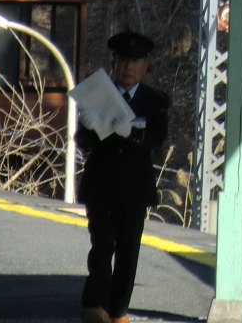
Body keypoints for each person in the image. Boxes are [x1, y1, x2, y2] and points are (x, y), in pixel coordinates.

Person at [77, 31, 169, 323]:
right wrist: (86, 125)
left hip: (134, 187)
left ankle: (118, 311)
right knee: (102, 247)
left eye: (136, 61)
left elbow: (157, 137)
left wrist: (134, 135)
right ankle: (95, 306)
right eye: (124, 60)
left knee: (128, 252)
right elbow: (83, 142)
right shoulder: (99, 95)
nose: (129, 66)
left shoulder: (155, 100)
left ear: (146, 67)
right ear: (114, 62)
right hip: (101, 183)